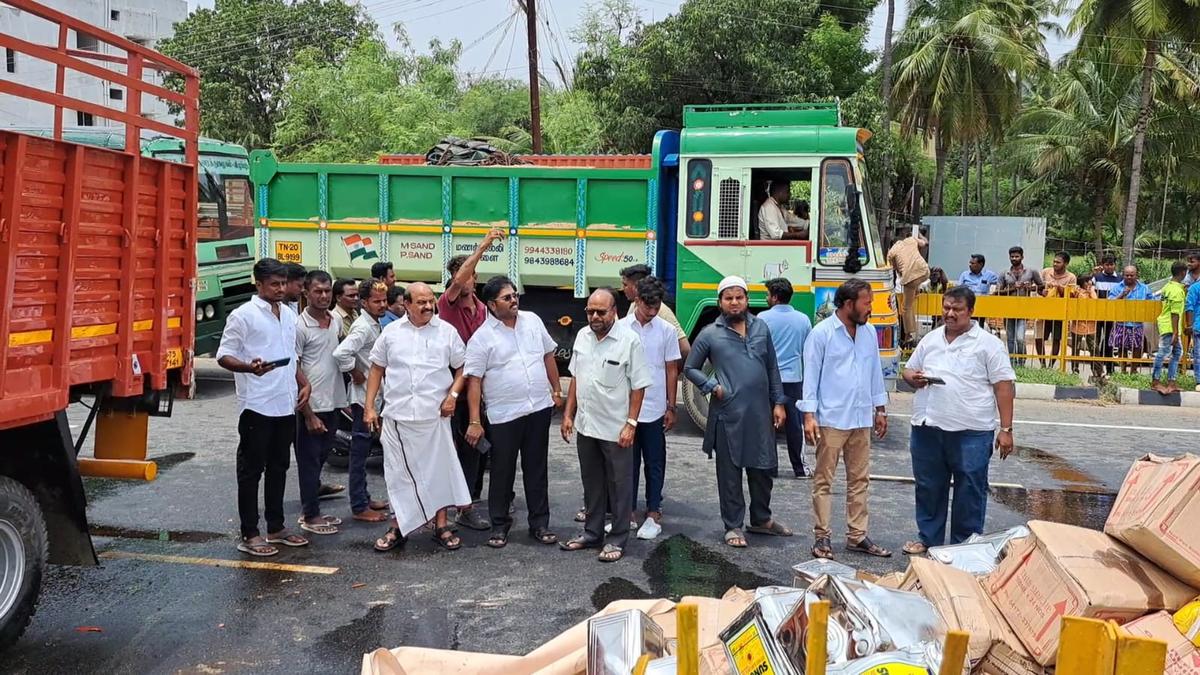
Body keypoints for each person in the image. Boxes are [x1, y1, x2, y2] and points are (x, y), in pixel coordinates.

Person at [900, 286, 1016, 553]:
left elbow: (1004, 386)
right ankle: (928, 539)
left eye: (957, 309)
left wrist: (1006, 429)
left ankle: (965, 546)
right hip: (928, 427)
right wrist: (912, 378)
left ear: (971, 312)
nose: (950, 314)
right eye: (946, 308)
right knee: (929, 487)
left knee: (970, 490)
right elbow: (908, 369)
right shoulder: (931, 339)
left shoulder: (988, 345)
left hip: (971, 432)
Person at [363, 282, 471, 552]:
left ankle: (441, 525)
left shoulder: (446, 332)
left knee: (439, 472)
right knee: (399, 475)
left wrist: (453, 397)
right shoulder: (391, 333)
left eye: (429, 301)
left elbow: (463, 367)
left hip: (435, 416)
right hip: (398, 418)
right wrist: (369, 407)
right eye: (420, 302)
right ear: (406, 304)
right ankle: (398, 527)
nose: (426, 306)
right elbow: (376, 368)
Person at [684, 276, 790, 549]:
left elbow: (772, 368)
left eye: (739, 297)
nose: (734, 303)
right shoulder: (710, 333)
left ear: (746, 299)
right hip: (727, 415)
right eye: (728, 298)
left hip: (760, 414)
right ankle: (733, 526)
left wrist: (778, 402)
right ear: (720, 302)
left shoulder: (761, 328)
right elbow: (690, 367)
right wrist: (712, 386)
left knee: (763, 468)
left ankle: (761, 519)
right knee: (730, 475)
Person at [216, 258, 312, 557]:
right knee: (251, 471)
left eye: (283, 283)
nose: (281, 289)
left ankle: (276, 527)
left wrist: (302, 382)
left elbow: (289, 356)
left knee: (279, 467)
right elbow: (223, 356)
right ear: (258, 284)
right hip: (257, 404)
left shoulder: (288, 313)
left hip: (284, 403)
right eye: (274, 284)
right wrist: (248, 367)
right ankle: (249, 532)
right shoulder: (242, 316)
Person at [464, 275, 562, 549]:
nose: (514, 300)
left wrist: (556, 390)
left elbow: (547, 356)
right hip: (504, 415)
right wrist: (474, 420)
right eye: (507, 297)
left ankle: (540, 524)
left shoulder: (532, 321)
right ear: (492, 305)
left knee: (536, 468)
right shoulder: (482, 338)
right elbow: (475, 380)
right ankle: (499, 525)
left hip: (538, 408)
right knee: (502, 471)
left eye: (515, 295)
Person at [800, 278, 890, 560]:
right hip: (831, 418)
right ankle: (822, 537)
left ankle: (857, 535)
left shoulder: (868, 332)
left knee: (860, 479)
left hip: (861, 417)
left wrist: (880, 408)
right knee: (824, 480)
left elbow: (875, 371)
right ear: (849, 304)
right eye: (867, 303)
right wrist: (809, 416)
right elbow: (811, 376)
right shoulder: (822, 334)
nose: (871, 308)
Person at [559, 288, 651, 563]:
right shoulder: (582, 337)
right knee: (592, 483)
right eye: (590, 311)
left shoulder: (629, 340)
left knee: (619, 485)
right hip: (586, 425)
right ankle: (591, 533)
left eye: (601, 311)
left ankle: (618, 539)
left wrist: (631, 424)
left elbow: (639, 386)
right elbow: (576, 376)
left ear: (615, 312)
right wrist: (568, 414)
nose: (595, 316)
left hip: (615, 428)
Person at [439, 227, 506, 532]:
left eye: (472, 274)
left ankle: (472, 498)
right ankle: (462, 506)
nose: (468, 279)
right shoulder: (447, 304)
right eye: (463, 275)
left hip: (484, 389)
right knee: (466, 446)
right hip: (458, 390)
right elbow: (457, 280)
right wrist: (484, 245)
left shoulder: (483, 309)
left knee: (483, 448)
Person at [618, 276, 681, 540]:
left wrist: (671, 405)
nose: (652, 312)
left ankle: (654, 510)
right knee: (627, 463)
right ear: (637, 300)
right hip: (626, 409)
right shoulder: (620, 328)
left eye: (656, 307)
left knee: (655, 462)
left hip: (655, 408)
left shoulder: (666, 331)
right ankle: (628, 510)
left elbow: (671, 369)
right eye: (648, 306)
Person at [333, 279, 391, 523]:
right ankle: (359, 505)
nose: (382, 305)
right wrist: (354, 371)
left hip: (372, 397)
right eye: (376, 301)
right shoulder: (363, 327)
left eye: (384, 301)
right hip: (362, 400)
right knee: (359, 453)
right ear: (364, 302)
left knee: (364, 450)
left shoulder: (374, 324)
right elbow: (341, 353)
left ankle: (364, 498)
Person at [294, 270, 347, 536]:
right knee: (309, 461)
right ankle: (309, 515)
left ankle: (314, 508)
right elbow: (295, 367)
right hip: (311, 406)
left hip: (333, 402)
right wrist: (308, 413)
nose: (323, 296)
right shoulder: (299, 326)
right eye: (318, 291)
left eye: (327, 291)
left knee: (321, 458)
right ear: (306, 292)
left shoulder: (335, 321)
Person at [758, 277, 813, 478]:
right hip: (794, 379)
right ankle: (799, 468)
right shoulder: (803, 319)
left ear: (774, 297)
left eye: (767, 294)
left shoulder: (762, 319)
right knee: (794, 424)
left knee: (768, 423)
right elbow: (807, 350)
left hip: (769, 379)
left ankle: (770, 468)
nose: (766, 298)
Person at [620, 264, 690, 359]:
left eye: (625, 285)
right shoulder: (633, 306)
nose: (622, 289)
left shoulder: (662, 311)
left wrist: (669, 370)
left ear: (635, 286)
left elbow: (685, 349)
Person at [997, 246, 1044, 367]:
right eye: (1012, 256)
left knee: (1020, 338)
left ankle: (1022, 361)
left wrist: (1030, 288)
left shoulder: (1031, 271)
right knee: (1010, 338)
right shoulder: (1004, 273)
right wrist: (1013, 288)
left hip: (1023, 309)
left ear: (1022, 257)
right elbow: (997, 292)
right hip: (1008, 309)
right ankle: (1012, 362)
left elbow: (1041, 286)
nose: (1014, 258)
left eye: (1016, 256)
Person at [886, 231, 930, 347]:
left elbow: (895, 270)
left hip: (910, 278)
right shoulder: (911, 240)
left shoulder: (891, 253)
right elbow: (925, 243)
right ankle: (916, 291)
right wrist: (919, 234)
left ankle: (909, 335)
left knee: (906, 308)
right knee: (912, 293)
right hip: (924, 271)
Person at [1108, 266, 1153, 374]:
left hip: (1137, 324)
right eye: (1126, 275)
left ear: (1136, 275)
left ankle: (1134, 370)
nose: (1129, 277)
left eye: (1131, 275)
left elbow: (1152, 302)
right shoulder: (1117, 287)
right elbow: (1109, 303)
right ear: (1123, 275)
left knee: (1137, 347)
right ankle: (1123, 370)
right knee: (1121, 347)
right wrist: (1122, 294)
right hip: (1121, 323)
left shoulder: (1144, 288)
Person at [1151, 261, 1187, 394]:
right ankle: (1155, 381)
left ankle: (1172, 382)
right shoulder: (1177, 291)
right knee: (1162, 353)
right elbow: (1174, 313)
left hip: (1166, 324)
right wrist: (1175, 332)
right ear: (1183, 273)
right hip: (1170, 327)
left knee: (1177, 353)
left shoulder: (1168, 286)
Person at [1038, 252, 1077, 366]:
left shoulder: (1071, 277)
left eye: (1058, 262)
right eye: (1054, 261)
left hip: (1060, 313)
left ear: (1066, 264)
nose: (1055, 264)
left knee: (1056, 339)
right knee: (1039, 337)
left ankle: (1051, 365)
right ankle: (1042, 364)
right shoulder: (1045, 272)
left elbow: (1072, 296)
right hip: (1043, 311)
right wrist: (1042, 292)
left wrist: (1059, 288)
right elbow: (1038, 287)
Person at [1070, 275, 1105, 382]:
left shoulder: (1093, 291)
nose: (1089, 283)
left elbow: (1095, 301)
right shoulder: (1077, 291)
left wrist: (1091, 291)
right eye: (1087, 281)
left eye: (1090, 281)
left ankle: (1097, 372)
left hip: (1091, 324)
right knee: (1076, 348)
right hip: (1078, 323)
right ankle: (1075, 370)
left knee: (1094, 348)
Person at [1092, 254, 1122, 375]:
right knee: (1095, 341)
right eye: (1107, 264)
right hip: (1098, 313)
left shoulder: (1120, 279)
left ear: (1115, 265)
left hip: (1113, 314)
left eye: (1111, 264)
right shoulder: (1096, 277)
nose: (1109, 267)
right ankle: (1097, 369)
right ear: (1103, 265)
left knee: (1110, 341)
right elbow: (1091, 291)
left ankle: (1110, 369)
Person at [1184, 272, 1200, 391]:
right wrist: (1189, 325)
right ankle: (1199, 381)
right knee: (1198, 355)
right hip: (1198, 326)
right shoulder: (1195, 287)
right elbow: (1189, 306)